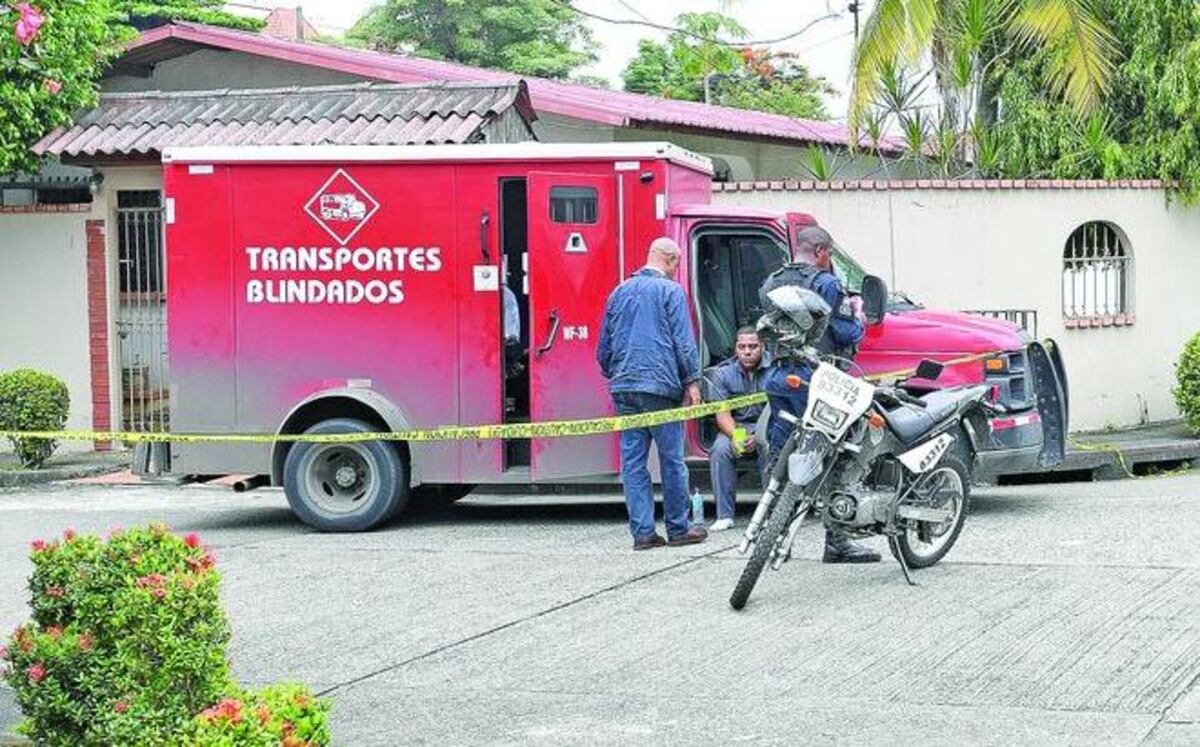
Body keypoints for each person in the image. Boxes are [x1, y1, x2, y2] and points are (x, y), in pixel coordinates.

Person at [758, 226, 880, 564]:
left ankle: (773, 534)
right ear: (823, 252)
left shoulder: (772, 281)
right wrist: (859, 319)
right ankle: (837, 541)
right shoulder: (826, 283)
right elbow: (843, 330)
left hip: (780, 376)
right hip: (819, 379)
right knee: (841, 454)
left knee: (780, 453)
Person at [597, 237, 708, 551]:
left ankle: (643, 534)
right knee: (672, 460)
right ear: (671, 260)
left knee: (632, 462)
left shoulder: (618, 292)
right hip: (661, 387)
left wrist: (616, 373)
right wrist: (692, 380)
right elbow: (683, 342)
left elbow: (603, 347)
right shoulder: (670, 291)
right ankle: (678, 528)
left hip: (624, 386)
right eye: (677, 264)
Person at [707, 327, 769, 532]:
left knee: (770, 448)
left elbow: (780, 411)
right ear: (736, 348)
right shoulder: (723, 373)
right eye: (742, 347)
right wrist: (737, 437)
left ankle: (771, 514)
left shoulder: (775, 369)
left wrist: (758, 436)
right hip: (736, 427)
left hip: (767, 427)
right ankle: (724, 515)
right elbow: (722, 414)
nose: (747, 352)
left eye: (753, 347)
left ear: (763, 346)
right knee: (720, 449)